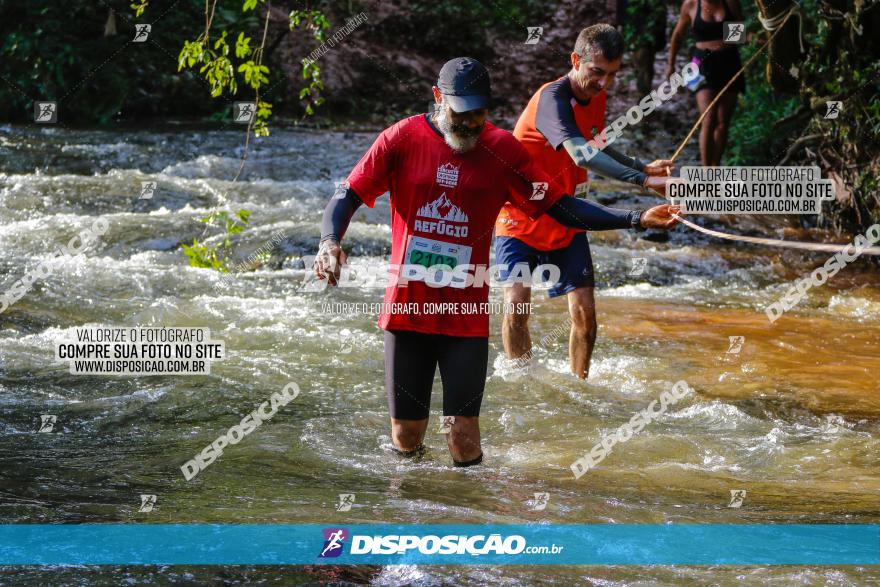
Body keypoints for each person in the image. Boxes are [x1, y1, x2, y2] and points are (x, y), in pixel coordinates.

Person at [313, 57, 680, 467]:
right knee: (406, 433)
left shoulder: (503, 151)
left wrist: (635, 218)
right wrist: (330, 243)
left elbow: (560, 207)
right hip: (408, 312)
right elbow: (347, 196)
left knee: (463, 436)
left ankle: (469, 513)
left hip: (464, 318)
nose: (471, 122)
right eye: (461, 111)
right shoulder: (401, 139)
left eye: (480, 112)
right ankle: (412, 505)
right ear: (438, 98)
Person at [495, 24, 675, 380]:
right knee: (517, 309)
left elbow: (594, 140)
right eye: (596, 72)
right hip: (521, 217)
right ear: (576, 60)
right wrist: (642, 181)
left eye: (612, 74)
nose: (604, 82)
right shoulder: (551, 100)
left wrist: (640, 165)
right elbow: (580, 154)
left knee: (585, 317)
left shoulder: (596, 94)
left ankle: (580, 387)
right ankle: (522, 384)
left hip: (567, 215)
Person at [668, 0, 746, 166]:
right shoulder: (690, 5)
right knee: (708, 118)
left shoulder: (730, 3)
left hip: (729, 61)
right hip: (701, 64)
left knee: (723, 122)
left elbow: (739, 35)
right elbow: (677, 36)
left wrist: (753, 38)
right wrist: (671, 66)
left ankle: (714, 168)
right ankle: (705, 169)